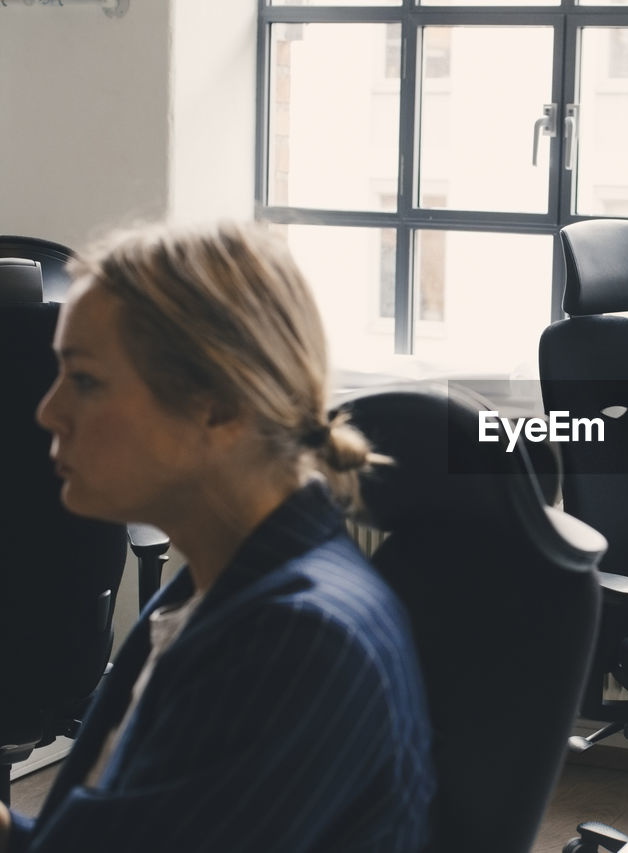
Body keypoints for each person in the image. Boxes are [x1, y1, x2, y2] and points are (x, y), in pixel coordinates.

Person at [0, 221, 434, 852]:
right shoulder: (214, 592)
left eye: (86, 380)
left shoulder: (292, 643)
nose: (47, 410)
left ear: (218, 406)